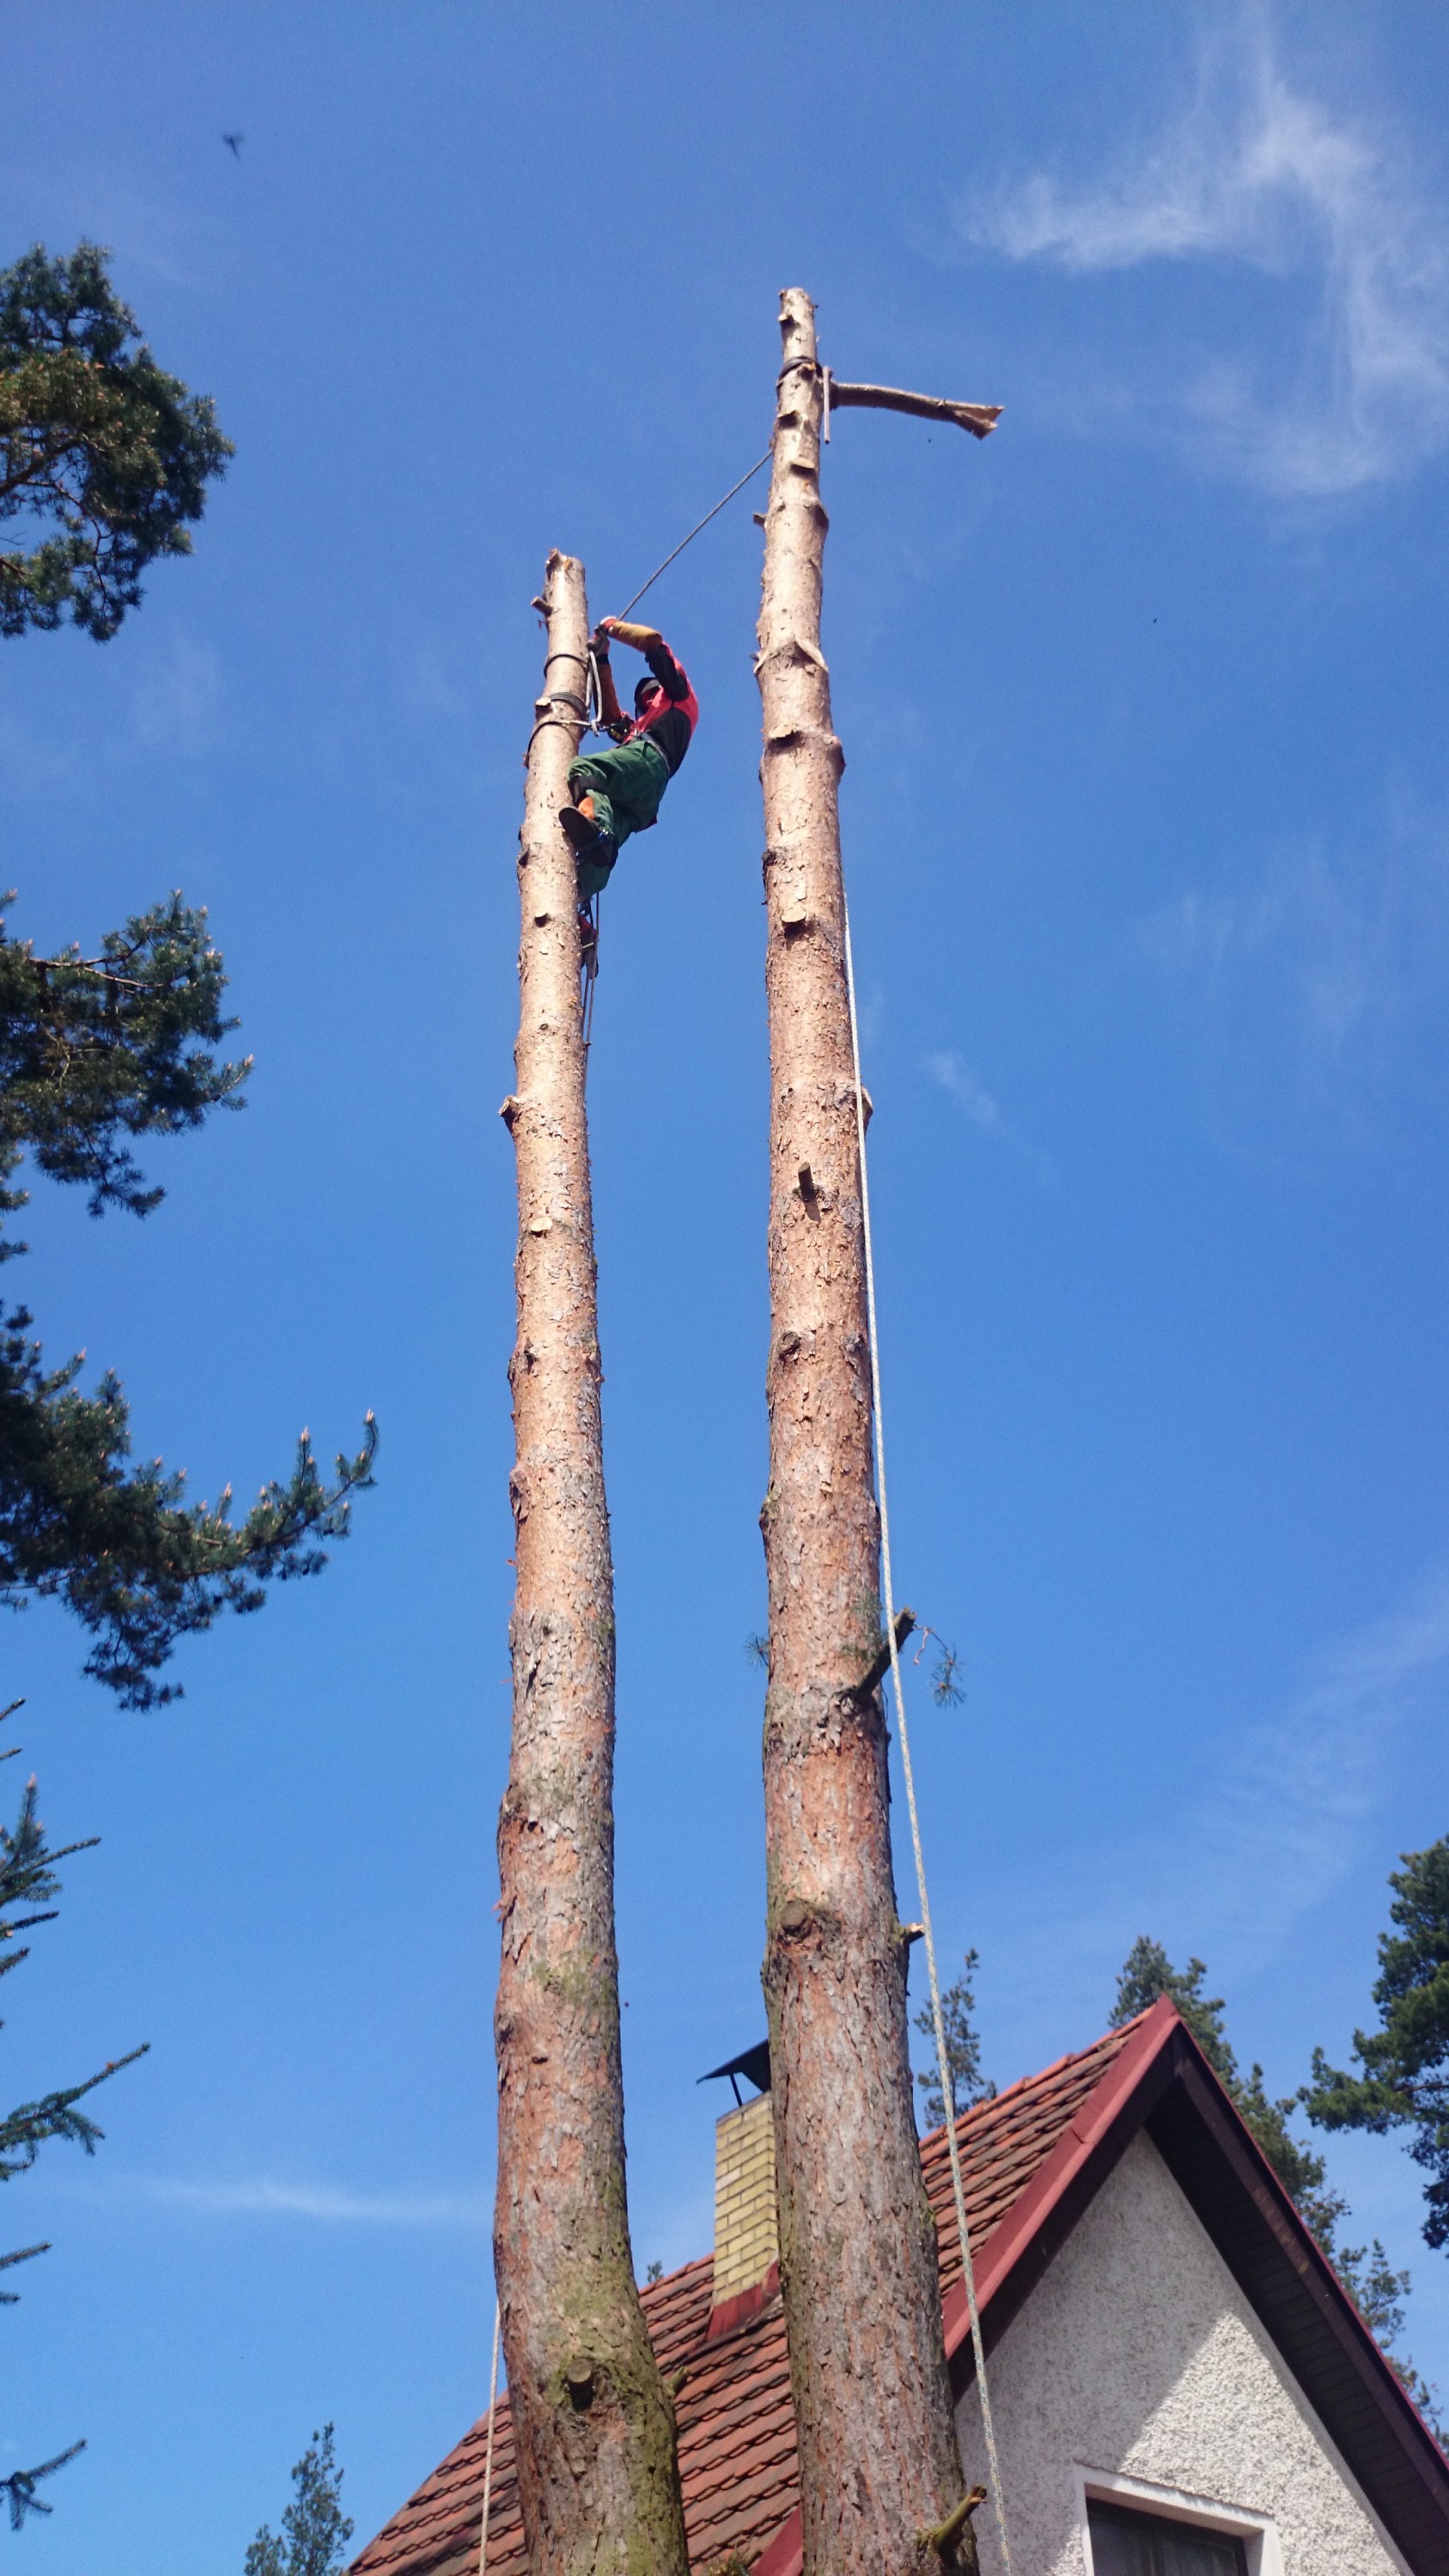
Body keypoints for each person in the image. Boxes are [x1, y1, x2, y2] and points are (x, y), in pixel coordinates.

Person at [559, 618, 698, 927]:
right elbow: (610, 716)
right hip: (645, 797)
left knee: (584, 769)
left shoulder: (677, 695)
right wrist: (602, 657)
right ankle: (579, 893)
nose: (645, 700)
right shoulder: (639, 726)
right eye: (641, 701)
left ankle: (596, 832)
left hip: (649, 761)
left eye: (649, 693)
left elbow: (652, 640)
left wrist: (613, 628)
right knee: (600, 812)